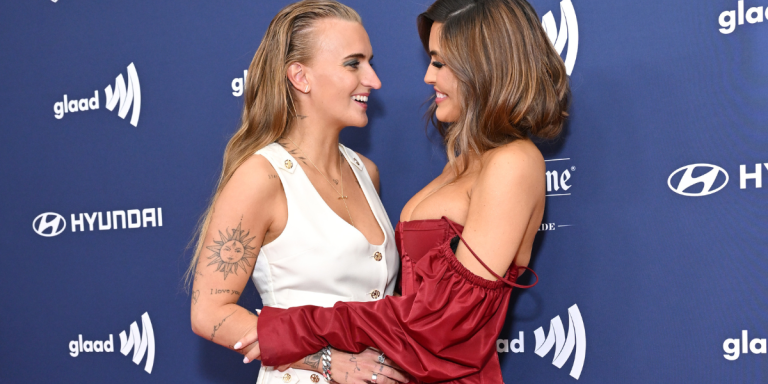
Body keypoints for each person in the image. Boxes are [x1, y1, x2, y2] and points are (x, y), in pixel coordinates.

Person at [236, 0, 571, 382]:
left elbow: (445, 319)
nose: (428, 76)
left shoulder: (514, 162)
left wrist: (295, 327)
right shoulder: (465, 163)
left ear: (484, 66)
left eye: (440, 63)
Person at [187, 1, 410, 384]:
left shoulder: (365, 172)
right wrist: (327, 361)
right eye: (353, 63)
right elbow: (209, 312)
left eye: (371, 62)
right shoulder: (261, 177)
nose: (373, 80)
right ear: (300, 77)